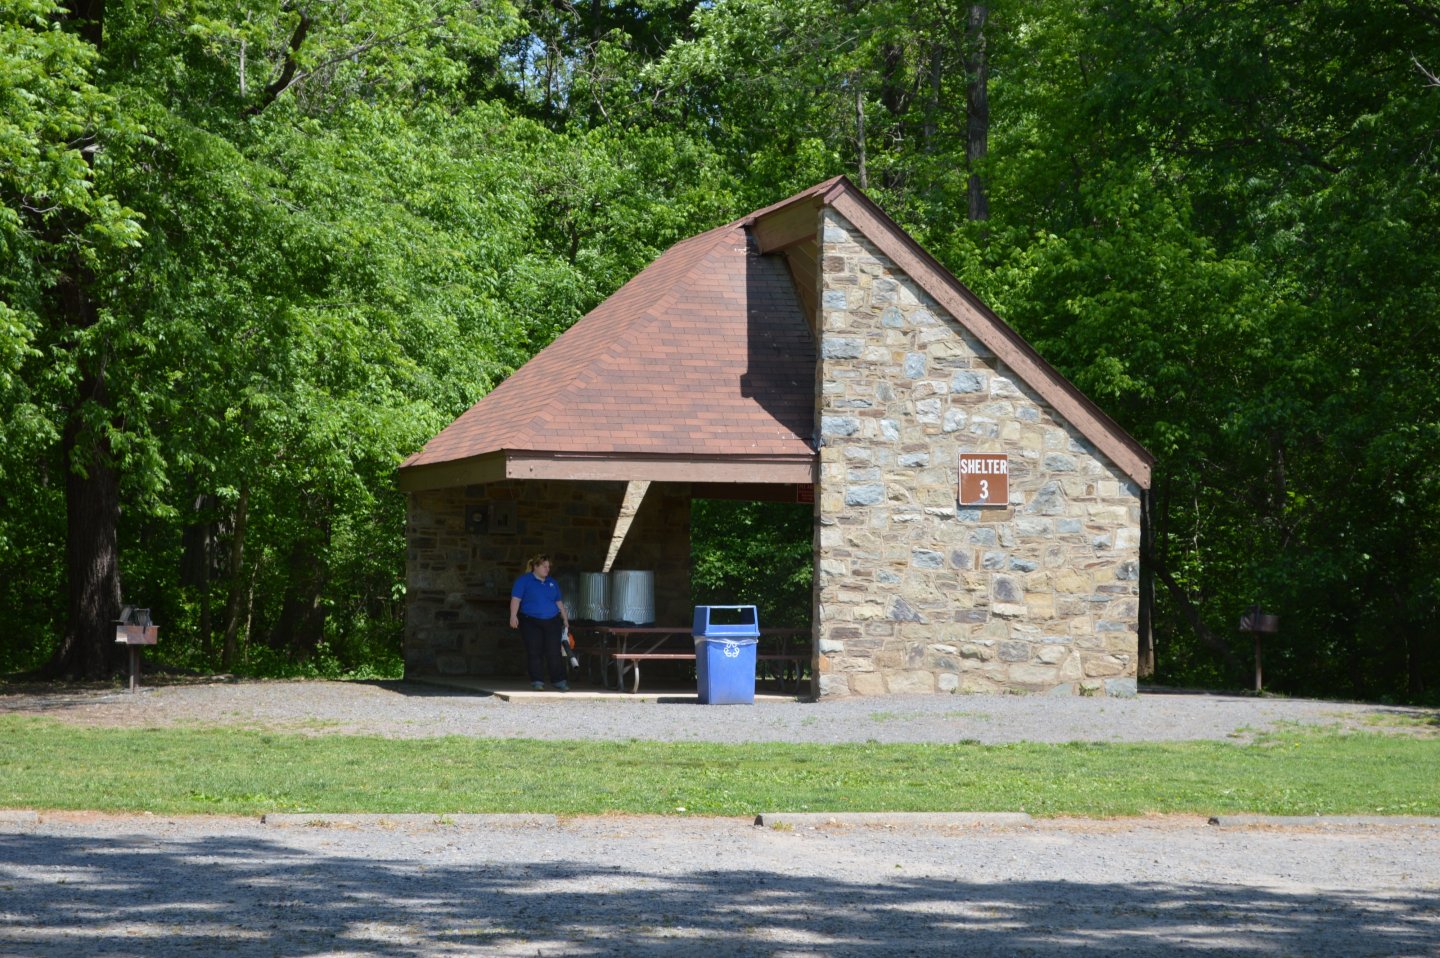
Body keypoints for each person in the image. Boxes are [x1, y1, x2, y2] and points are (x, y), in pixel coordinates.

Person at [509, 554, 570, 691]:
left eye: (548, 567)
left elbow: (558, 602)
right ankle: (537, 681)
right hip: (531, 621)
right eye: (544, 566)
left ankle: (559, 680)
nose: (547, 569)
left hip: (552, 620)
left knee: (554, 651)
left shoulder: (552, 582)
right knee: (534, 651)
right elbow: (516, 599)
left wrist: (565, 618)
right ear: (535, 567)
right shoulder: (523, 581)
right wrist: (513, 616)